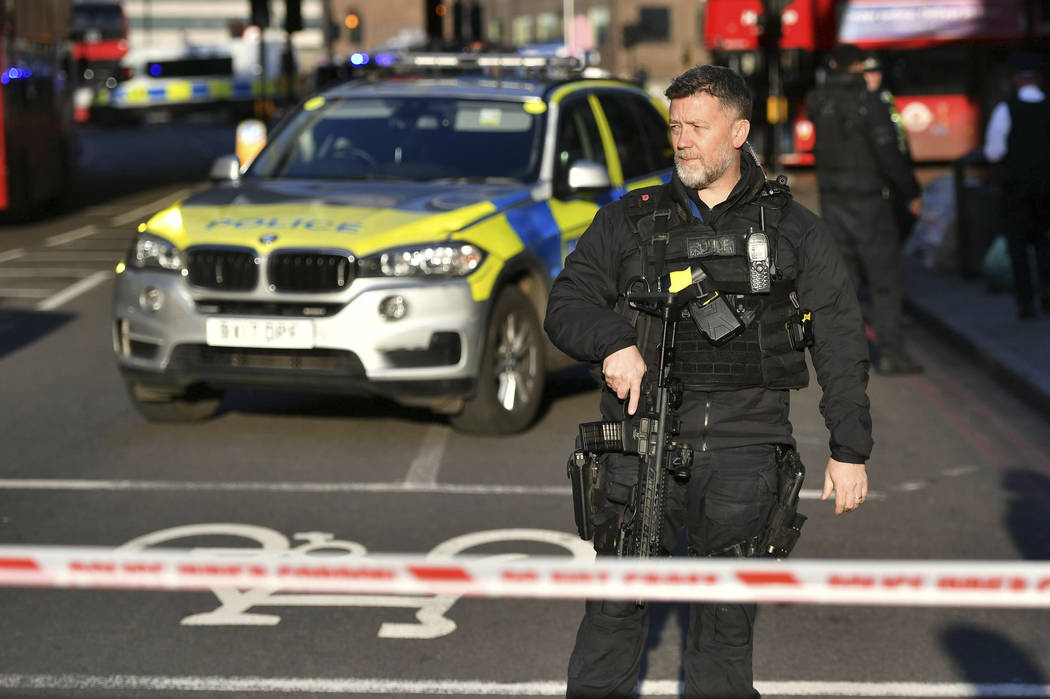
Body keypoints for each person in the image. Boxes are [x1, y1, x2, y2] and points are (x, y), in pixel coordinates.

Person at [545, 64, 872, 699]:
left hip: (744, 447)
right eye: (675, 127)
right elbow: (567, 303)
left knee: (723, 632)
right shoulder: (630, 219)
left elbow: (838, 335)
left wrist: (848, 449)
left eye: (699, 126)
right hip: (639, 442)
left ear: (739, 131)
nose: (683, 139)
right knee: (612, 614)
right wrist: (611, 342)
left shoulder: (793, 229)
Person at [805, 44, 924, 374]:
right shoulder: (869, 103)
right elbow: (889, 153)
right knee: (885, 280)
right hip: (870, 201)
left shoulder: (819, 101)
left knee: (846, 282)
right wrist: (911, 191)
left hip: (832, 200)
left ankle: (845, 356)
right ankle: (891, 354)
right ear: (857, 68)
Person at [982, 50, 1050, 319]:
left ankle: (1025, 301)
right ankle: (1047, 288)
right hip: (1047, 186)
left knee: (1018, 245)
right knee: (1045, 240)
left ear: (1016, 79)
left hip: (1017, 187)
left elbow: (993, 152)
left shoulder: (1006, 110)